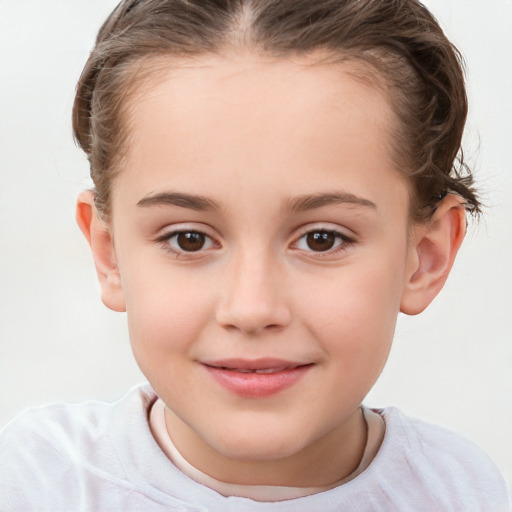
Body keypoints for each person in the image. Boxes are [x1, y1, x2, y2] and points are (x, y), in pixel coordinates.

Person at [1, 0, 510, 510]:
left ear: (424, 256)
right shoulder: (35, 483)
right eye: (189, 239)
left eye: (321, 239)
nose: (251, 308)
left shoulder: (463, 493)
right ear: (108, 254)